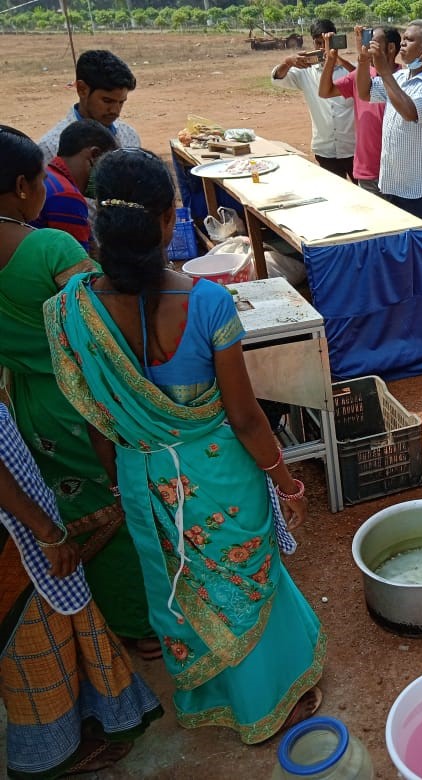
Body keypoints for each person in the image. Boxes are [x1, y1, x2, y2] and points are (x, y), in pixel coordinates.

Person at [45, 148, 326, 744]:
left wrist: (123, 480)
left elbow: (98, 418)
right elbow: (247, 420)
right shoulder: (207, 304)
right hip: (219, 478)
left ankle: (213, 698)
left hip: (142, 477)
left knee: (179, 594)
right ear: (169, 222)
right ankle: (266, 705)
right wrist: (287, 482)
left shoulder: (69, 309)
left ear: (98, 222)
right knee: (244, 586)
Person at [0, 126, 156, 658]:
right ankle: (144, 623)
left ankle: (111, 617)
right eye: (41, 180)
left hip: (29, 407)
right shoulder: (48, 246)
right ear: (23, 185)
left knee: (79, 507)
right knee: (121, 504)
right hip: (79, 399)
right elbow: (105, 312)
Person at [1, 403, 163, 778]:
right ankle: (52, 754)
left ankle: (84, 720)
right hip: (14, 540)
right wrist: (46, 532)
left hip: (25, 522)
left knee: (60, 630)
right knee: (35, 647)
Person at [358, 19, 422, 331]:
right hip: (393, 184)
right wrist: (363, 62)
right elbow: (365, 92)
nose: (402, 45)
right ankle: (410, 304)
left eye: (409, 40)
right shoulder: (402, 78)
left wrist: (385, 71)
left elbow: (410, 112)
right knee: (399, 251)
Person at [319, 26, 402, 196]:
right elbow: (325, 92)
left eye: (372, 43)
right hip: (367, 169)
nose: (366, 47)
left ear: (391, 48)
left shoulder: (404, 78)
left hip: (398, 171)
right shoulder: (360, 75)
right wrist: (330, 59)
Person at [272, 20, 355, 179]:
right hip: (325, 149)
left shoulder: (349, 68)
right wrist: (288, 62)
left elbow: (367, 81)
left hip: (353, 147)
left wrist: (339, 60)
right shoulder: (305, 71)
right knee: (335, 193)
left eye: (327, 43)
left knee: (365, 194)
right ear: (313, 43)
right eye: (319, 43)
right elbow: (277, 78)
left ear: (336, 41)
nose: (323, 48)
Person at [37, 50, 139, 164]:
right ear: (82, 89)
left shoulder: (129, 136)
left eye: (121, 102)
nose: (115, 111)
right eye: (107, 101)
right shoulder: (50, 148)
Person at [30, 119, 117, 251]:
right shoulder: (67, 195)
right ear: (94, 155)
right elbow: (79, 266)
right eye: (107, 168)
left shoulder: (50, 179)